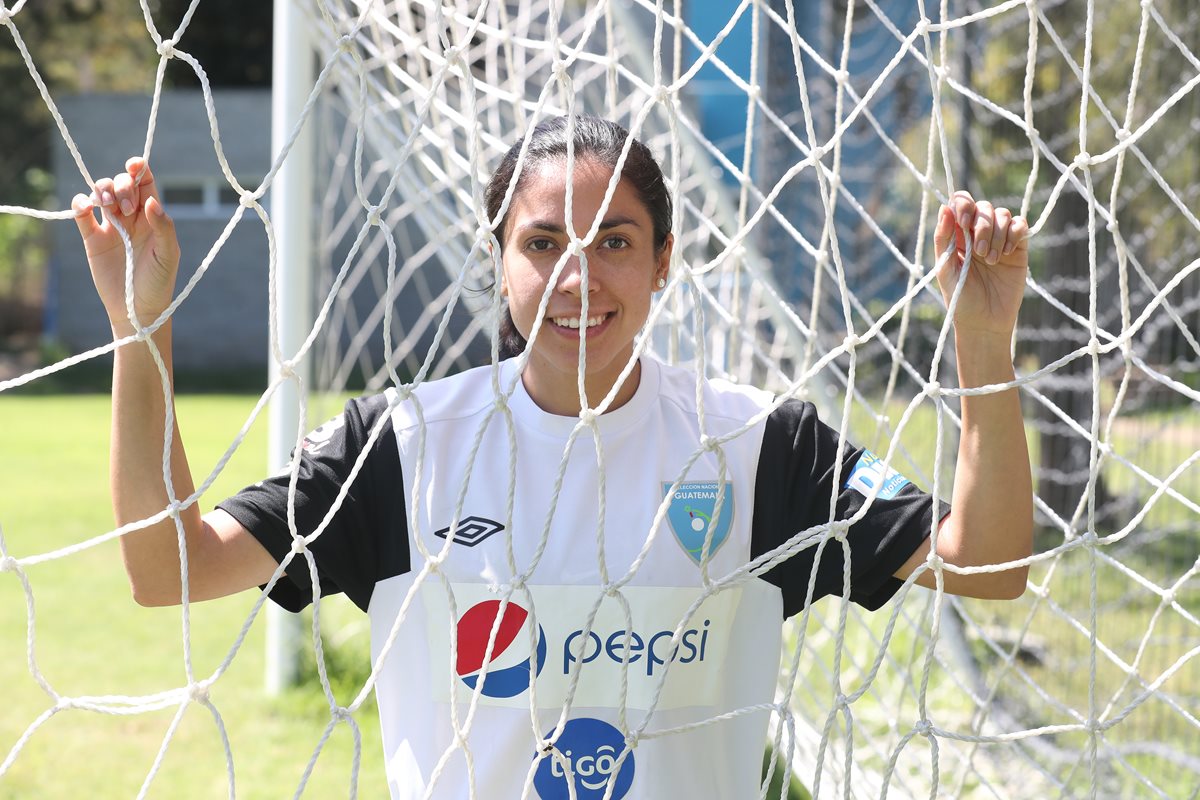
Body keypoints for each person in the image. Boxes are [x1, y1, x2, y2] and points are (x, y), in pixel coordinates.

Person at [72, 115, 1032, 800]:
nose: (579, 275)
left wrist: (985, 352)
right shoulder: (403, 445)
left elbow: (987, 566)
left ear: (664, 261)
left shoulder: (758, 444)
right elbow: (171, 570)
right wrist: (139, 329)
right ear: (500, 261)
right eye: (544, 242)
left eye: (614, 241)